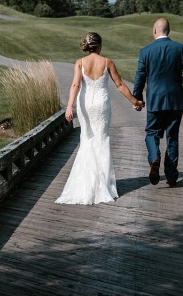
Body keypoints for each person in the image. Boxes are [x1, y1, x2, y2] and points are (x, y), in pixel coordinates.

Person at [55, 31, 144, 206]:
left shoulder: (80, 63)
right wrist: (135, 102)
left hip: (85, 104)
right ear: (100, 45)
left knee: (87, 140)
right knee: (101, 141)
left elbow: (75, 84)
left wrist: (69, 106)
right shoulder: (107, 62)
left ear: (87, 46)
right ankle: (101, 185)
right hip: (102, 105)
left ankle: (84, 184)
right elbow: (119, 84)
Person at [132, 18, 183, 187]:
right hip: (175, 100)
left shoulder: (145, 51)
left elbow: (140, 77)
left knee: (152, 132)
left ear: (155, 31)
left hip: (154, 100)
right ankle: (171, 176)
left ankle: (154, 157)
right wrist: (182, 79)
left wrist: (137, 98)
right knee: (172, 137)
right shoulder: (180, 48)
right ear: (168, 31)